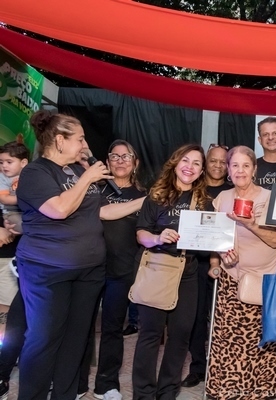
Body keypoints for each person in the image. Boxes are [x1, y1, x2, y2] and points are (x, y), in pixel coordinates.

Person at [15, 110, 114, 400]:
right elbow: (58, 209)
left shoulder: (77, 170)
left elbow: (97, 210)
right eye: (80, 139)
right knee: (44, 338)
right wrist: (88, 178)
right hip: (48, 270)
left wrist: (144, 202)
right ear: (60, 140)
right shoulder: (35, 172)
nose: (85, 144)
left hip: (89, 270)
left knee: (76, 340)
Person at [205, 145, 276, 400]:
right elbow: (216, 238)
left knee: (263, 341)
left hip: (265, 281)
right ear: (228, 170)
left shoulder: (270, 198)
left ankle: (262, 391)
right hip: (231, 280)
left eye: (245, 165)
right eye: (235, 165)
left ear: (254, 169)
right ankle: (230, 390)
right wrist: (218, 260)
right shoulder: (221, 199)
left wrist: (250, 223)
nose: (240, 170)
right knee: (231, 342)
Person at [132, 143, 210, 399]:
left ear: (201, 171)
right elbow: (141, 234)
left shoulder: (204, 203)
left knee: (181, 335)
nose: (190, 167)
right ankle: (143, 394)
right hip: (157, 267)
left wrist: (223, 250)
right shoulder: (155, 196)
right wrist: (157, 238)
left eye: (196, 163)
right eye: (185, 160)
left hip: (188, 272)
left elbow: (211, 238)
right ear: (175, 163)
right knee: (150, 334)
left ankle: (167, 392)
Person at [92, 140, 146, 400]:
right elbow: (102, 213)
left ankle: (106, 384)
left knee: (112, 329)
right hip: (89, 269)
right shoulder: (93, 189)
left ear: (135, 163)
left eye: (126, 156)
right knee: (80, 326)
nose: (121, 160)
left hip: (122, 272)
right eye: (115, 156)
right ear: (107, 161)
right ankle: (74, 383)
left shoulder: (142, 193)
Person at [182, 142, 230, 389]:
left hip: (228, 263)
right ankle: (198, 367)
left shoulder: (233, 191)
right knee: (196, 318)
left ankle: (222, 367)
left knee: (224, 318)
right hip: (196, 262)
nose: (218, 165)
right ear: (205, 163)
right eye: (213, 160)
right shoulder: (193, 188)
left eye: (223, 161)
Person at [0, 141, 28, 346]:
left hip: (12, 256)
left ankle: (7, 351)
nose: (4, 166)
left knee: (8, 306)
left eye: (9, 161)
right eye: (1, 162)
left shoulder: (31, 182)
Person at [256, 117, 276, 189]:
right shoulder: (253, 167)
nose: (270, 137)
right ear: (260, 140)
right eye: (265, 134)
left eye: (275, 133)